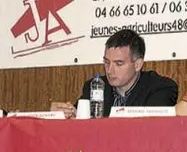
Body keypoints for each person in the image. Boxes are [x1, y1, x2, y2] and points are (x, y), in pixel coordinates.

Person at [50, 29, 178, 118]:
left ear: (138, 64)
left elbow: (151, 128)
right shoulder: (95, 86)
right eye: (106, 62)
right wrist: (64, 114)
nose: (109, 70)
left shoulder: (160, 88)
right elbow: (79, 120)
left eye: (119, 63)